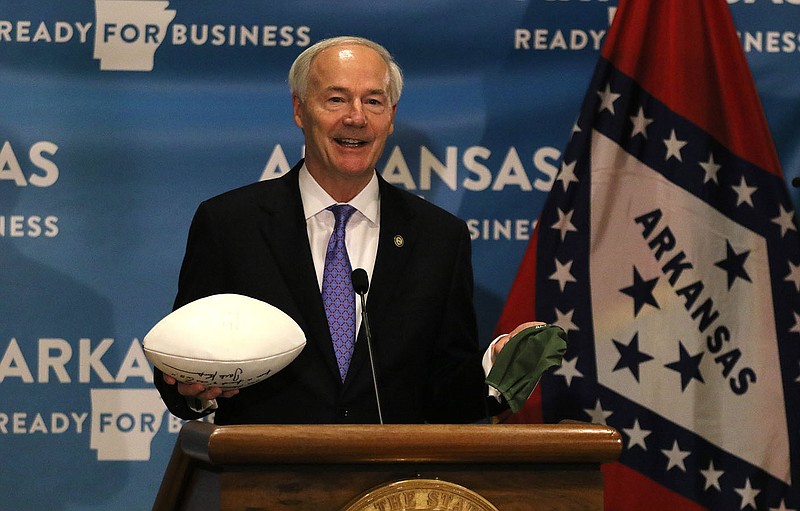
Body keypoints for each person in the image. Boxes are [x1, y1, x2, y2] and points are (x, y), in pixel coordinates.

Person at [154, 35, 537, 424]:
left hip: (393, 480)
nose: (356, 117)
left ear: (391, 117)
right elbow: (179, 366)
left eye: (373, 101)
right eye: (336, 99)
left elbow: (448, 398)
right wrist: (194, 390)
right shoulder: (230, 225)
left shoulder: (440, 238)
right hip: (264, 475)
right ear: (300, 110)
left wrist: (495, 371)